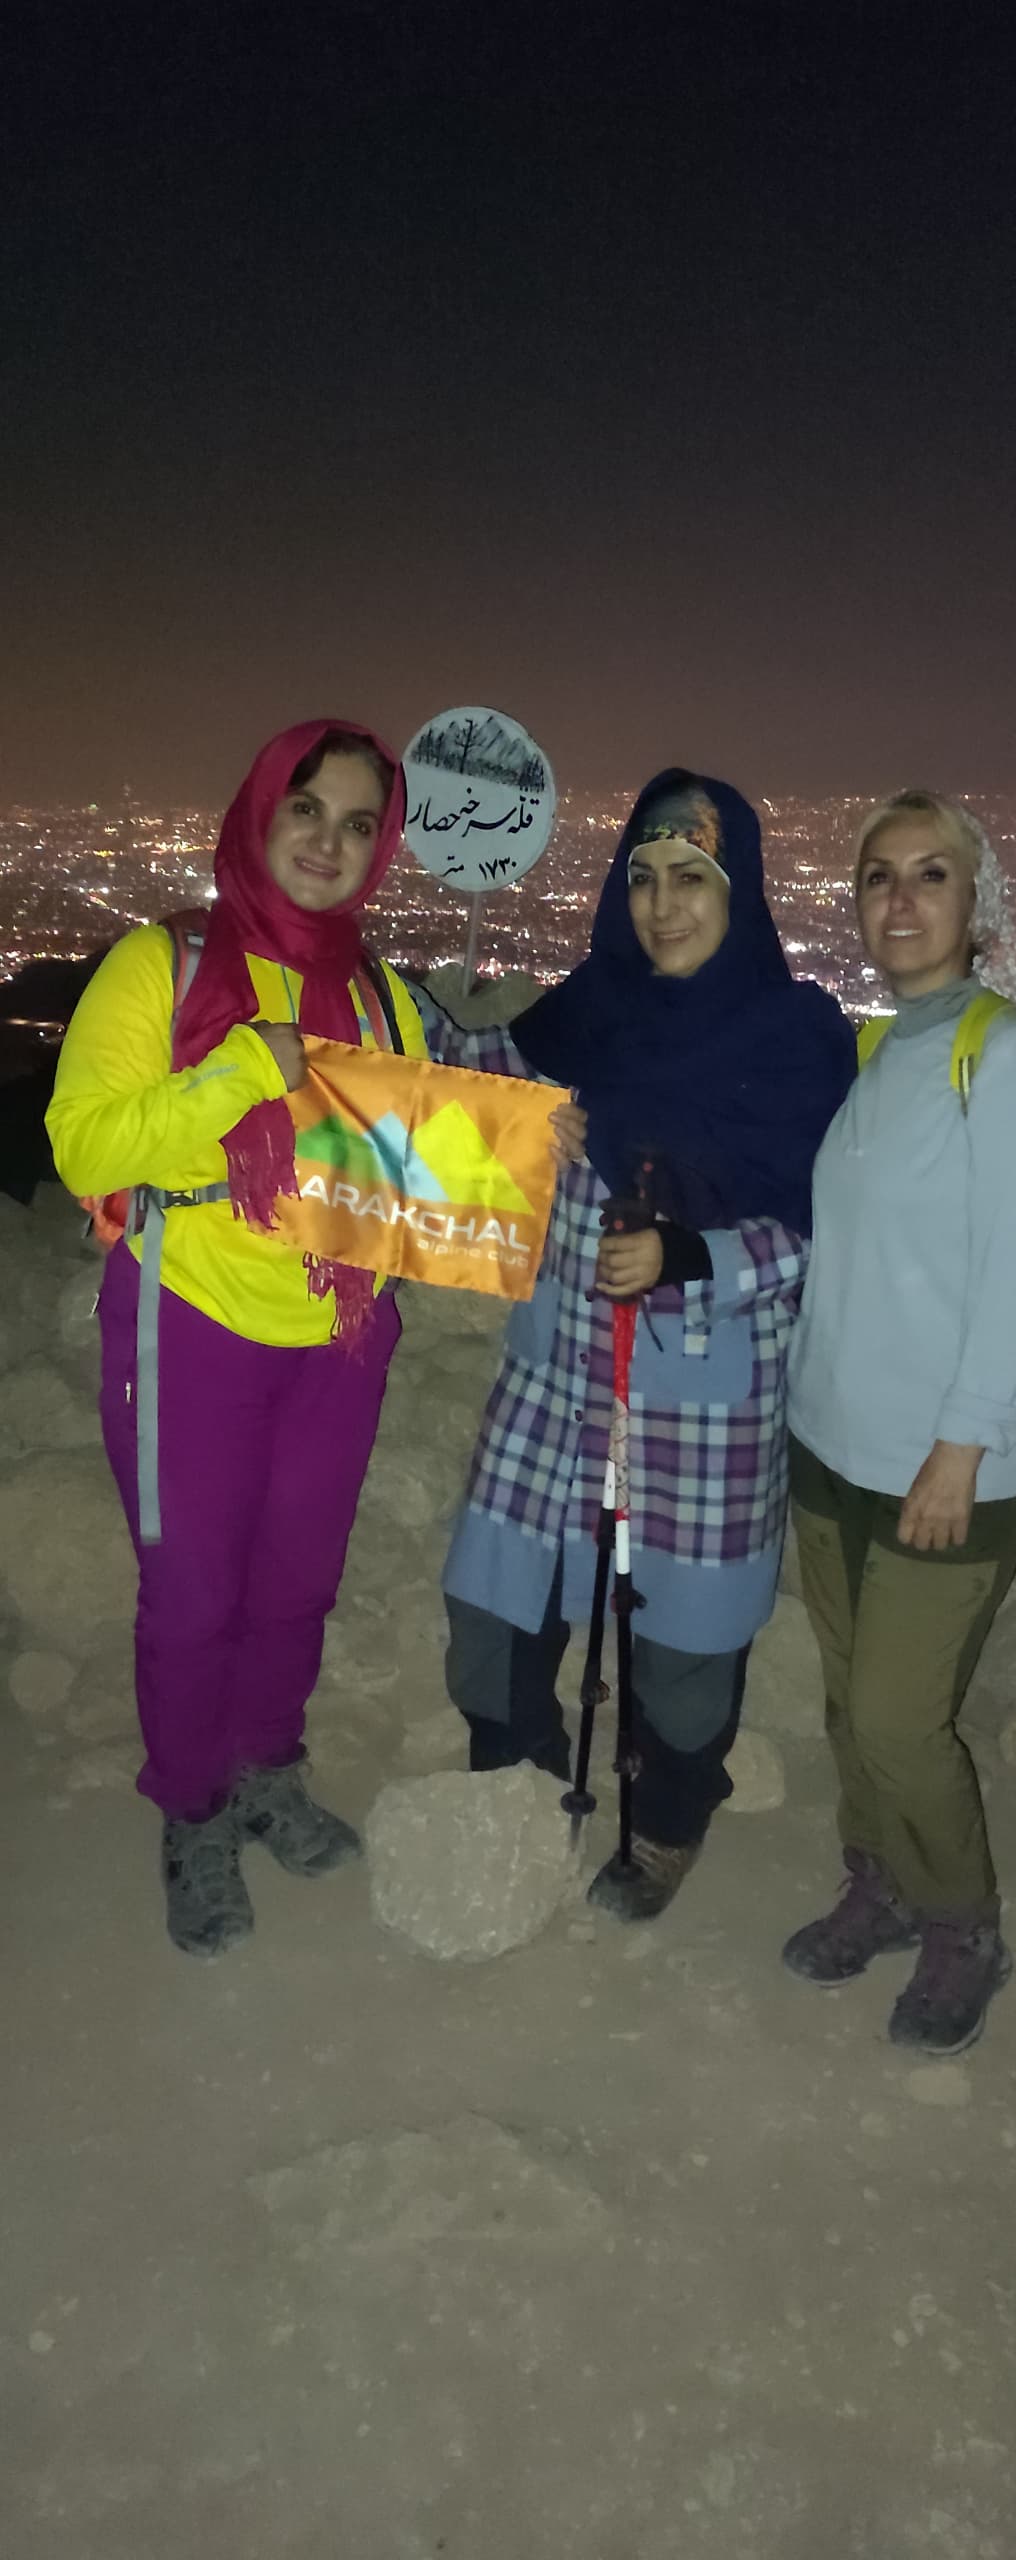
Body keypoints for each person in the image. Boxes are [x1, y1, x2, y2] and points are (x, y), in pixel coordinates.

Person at [435, 769, 857, 1919]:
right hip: (555, 1378)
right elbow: (454, 1083)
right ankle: (514, 1791)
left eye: (693, 879)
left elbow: (826, 1228)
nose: (664, 906)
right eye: (644, 878)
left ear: (741, 891)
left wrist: (692, 1255)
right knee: (497, 1607)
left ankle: (667, 1819)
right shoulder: (586, 1013)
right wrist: (515, 1106)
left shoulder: (796, 1042)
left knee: (682, 1649)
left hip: (701, 1401)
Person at [49, 721, 423, 1957]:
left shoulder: (379, 993)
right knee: (194, 1594)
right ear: (260, 813)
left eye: (358, 823)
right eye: (306, 808)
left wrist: (520, 1150)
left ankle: (268, 1766)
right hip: (191, 1318)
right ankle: (194, 1808)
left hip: (339, 1332)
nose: (328, 841)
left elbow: (414, 1162)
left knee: (298, 1578)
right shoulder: (160, 965)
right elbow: (85, 1143)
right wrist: (242, 1073)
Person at [784, 788, 1016, 2054]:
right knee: (849, 1703)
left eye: (930, 874)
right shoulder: (880, 1054)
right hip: (832, 1446)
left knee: (901, 1718)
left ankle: (965, 1922)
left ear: (977, 904)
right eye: (878, 875)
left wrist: (960, 1448)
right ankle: (883, 1881)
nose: (900, 898)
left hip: (946, 1462)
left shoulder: (1009, 1062)